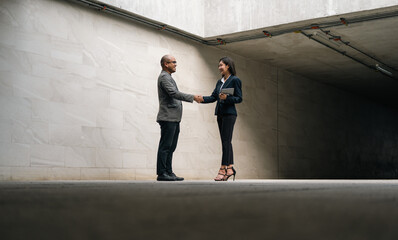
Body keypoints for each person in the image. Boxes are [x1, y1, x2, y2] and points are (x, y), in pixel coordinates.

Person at [156, 55, 202, 181]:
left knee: (171, 146)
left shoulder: (168, 77)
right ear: (166, 64)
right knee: (165, 146)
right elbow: (173, 93)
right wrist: (193, 97)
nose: (176, 64)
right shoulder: (164, 77)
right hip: (168, 118)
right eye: (173, 62)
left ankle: (169, 172)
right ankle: (162, 173)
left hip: (174, 118)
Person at [199, 57, 242, 181]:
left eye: (221, 65)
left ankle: (223, 169)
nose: (219, 68)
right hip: (220, 114)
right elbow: (213, 97)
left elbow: (239, 98)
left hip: (230, 114)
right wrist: (201, 99)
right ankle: (230, 168)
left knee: (226, 141)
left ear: (228, 66)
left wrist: (226, 98)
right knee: (226, 141)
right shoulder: (219, 81)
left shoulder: (235, 80)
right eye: (219, 65)